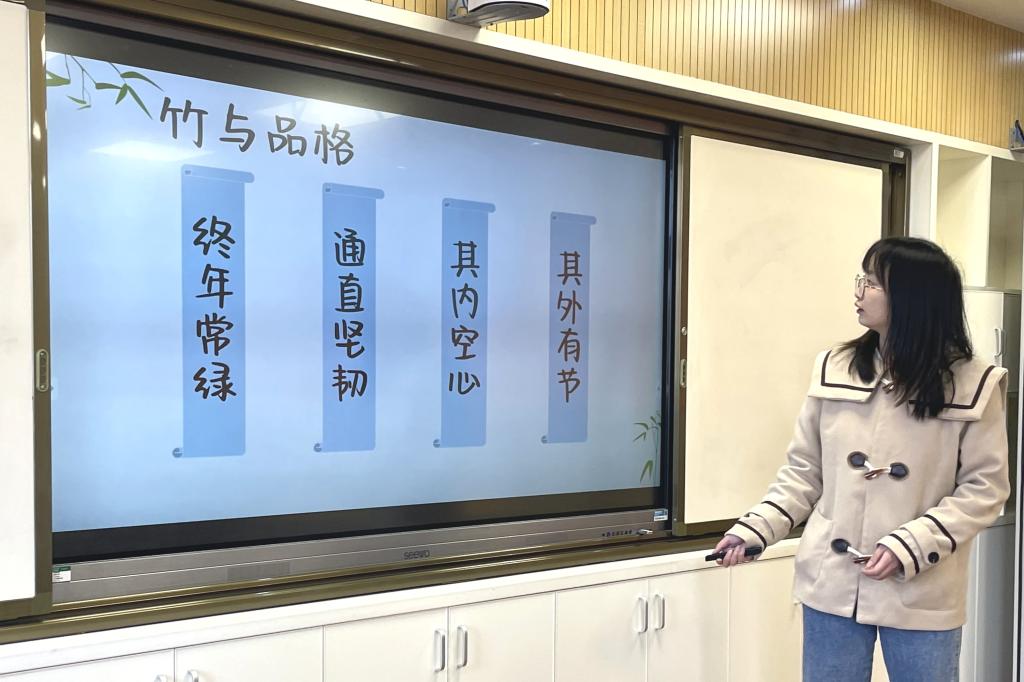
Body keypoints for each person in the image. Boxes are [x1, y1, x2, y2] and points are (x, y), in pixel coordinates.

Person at [714, 237, 1010, 682]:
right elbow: (804, 472)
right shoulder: (835, 366)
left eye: (872, 283)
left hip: (922, 588)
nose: (859, 291)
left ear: (912, 297)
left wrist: (910, 544)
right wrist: (756, 529)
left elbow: (985, 490)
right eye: (862, 279)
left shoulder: (974, 383)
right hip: (831, 583)